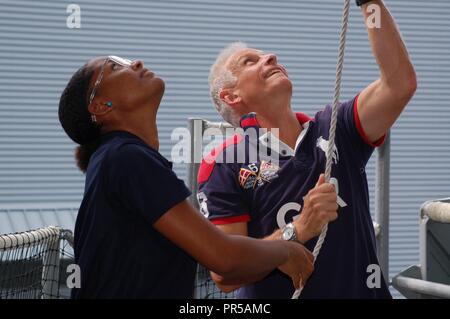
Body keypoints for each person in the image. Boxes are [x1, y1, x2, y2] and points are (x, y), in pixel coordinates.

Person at [198, 0, 417, 298]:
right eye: (250, 61)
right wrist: (298, 229)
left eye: (267, 55)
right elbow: (225, 273)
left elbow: (399, 84)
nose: (271, 57)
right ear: (231, 96)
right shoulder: (223, 162)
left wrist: (369, 3)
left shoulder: (336, 125)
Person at [58, 55, 315, 298]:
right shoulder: (124, 158)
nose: (135, 63)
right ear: (101, 106)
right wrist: (286, 247)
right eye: (114, 67)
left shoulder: (121, 158)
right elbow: (223, 257)